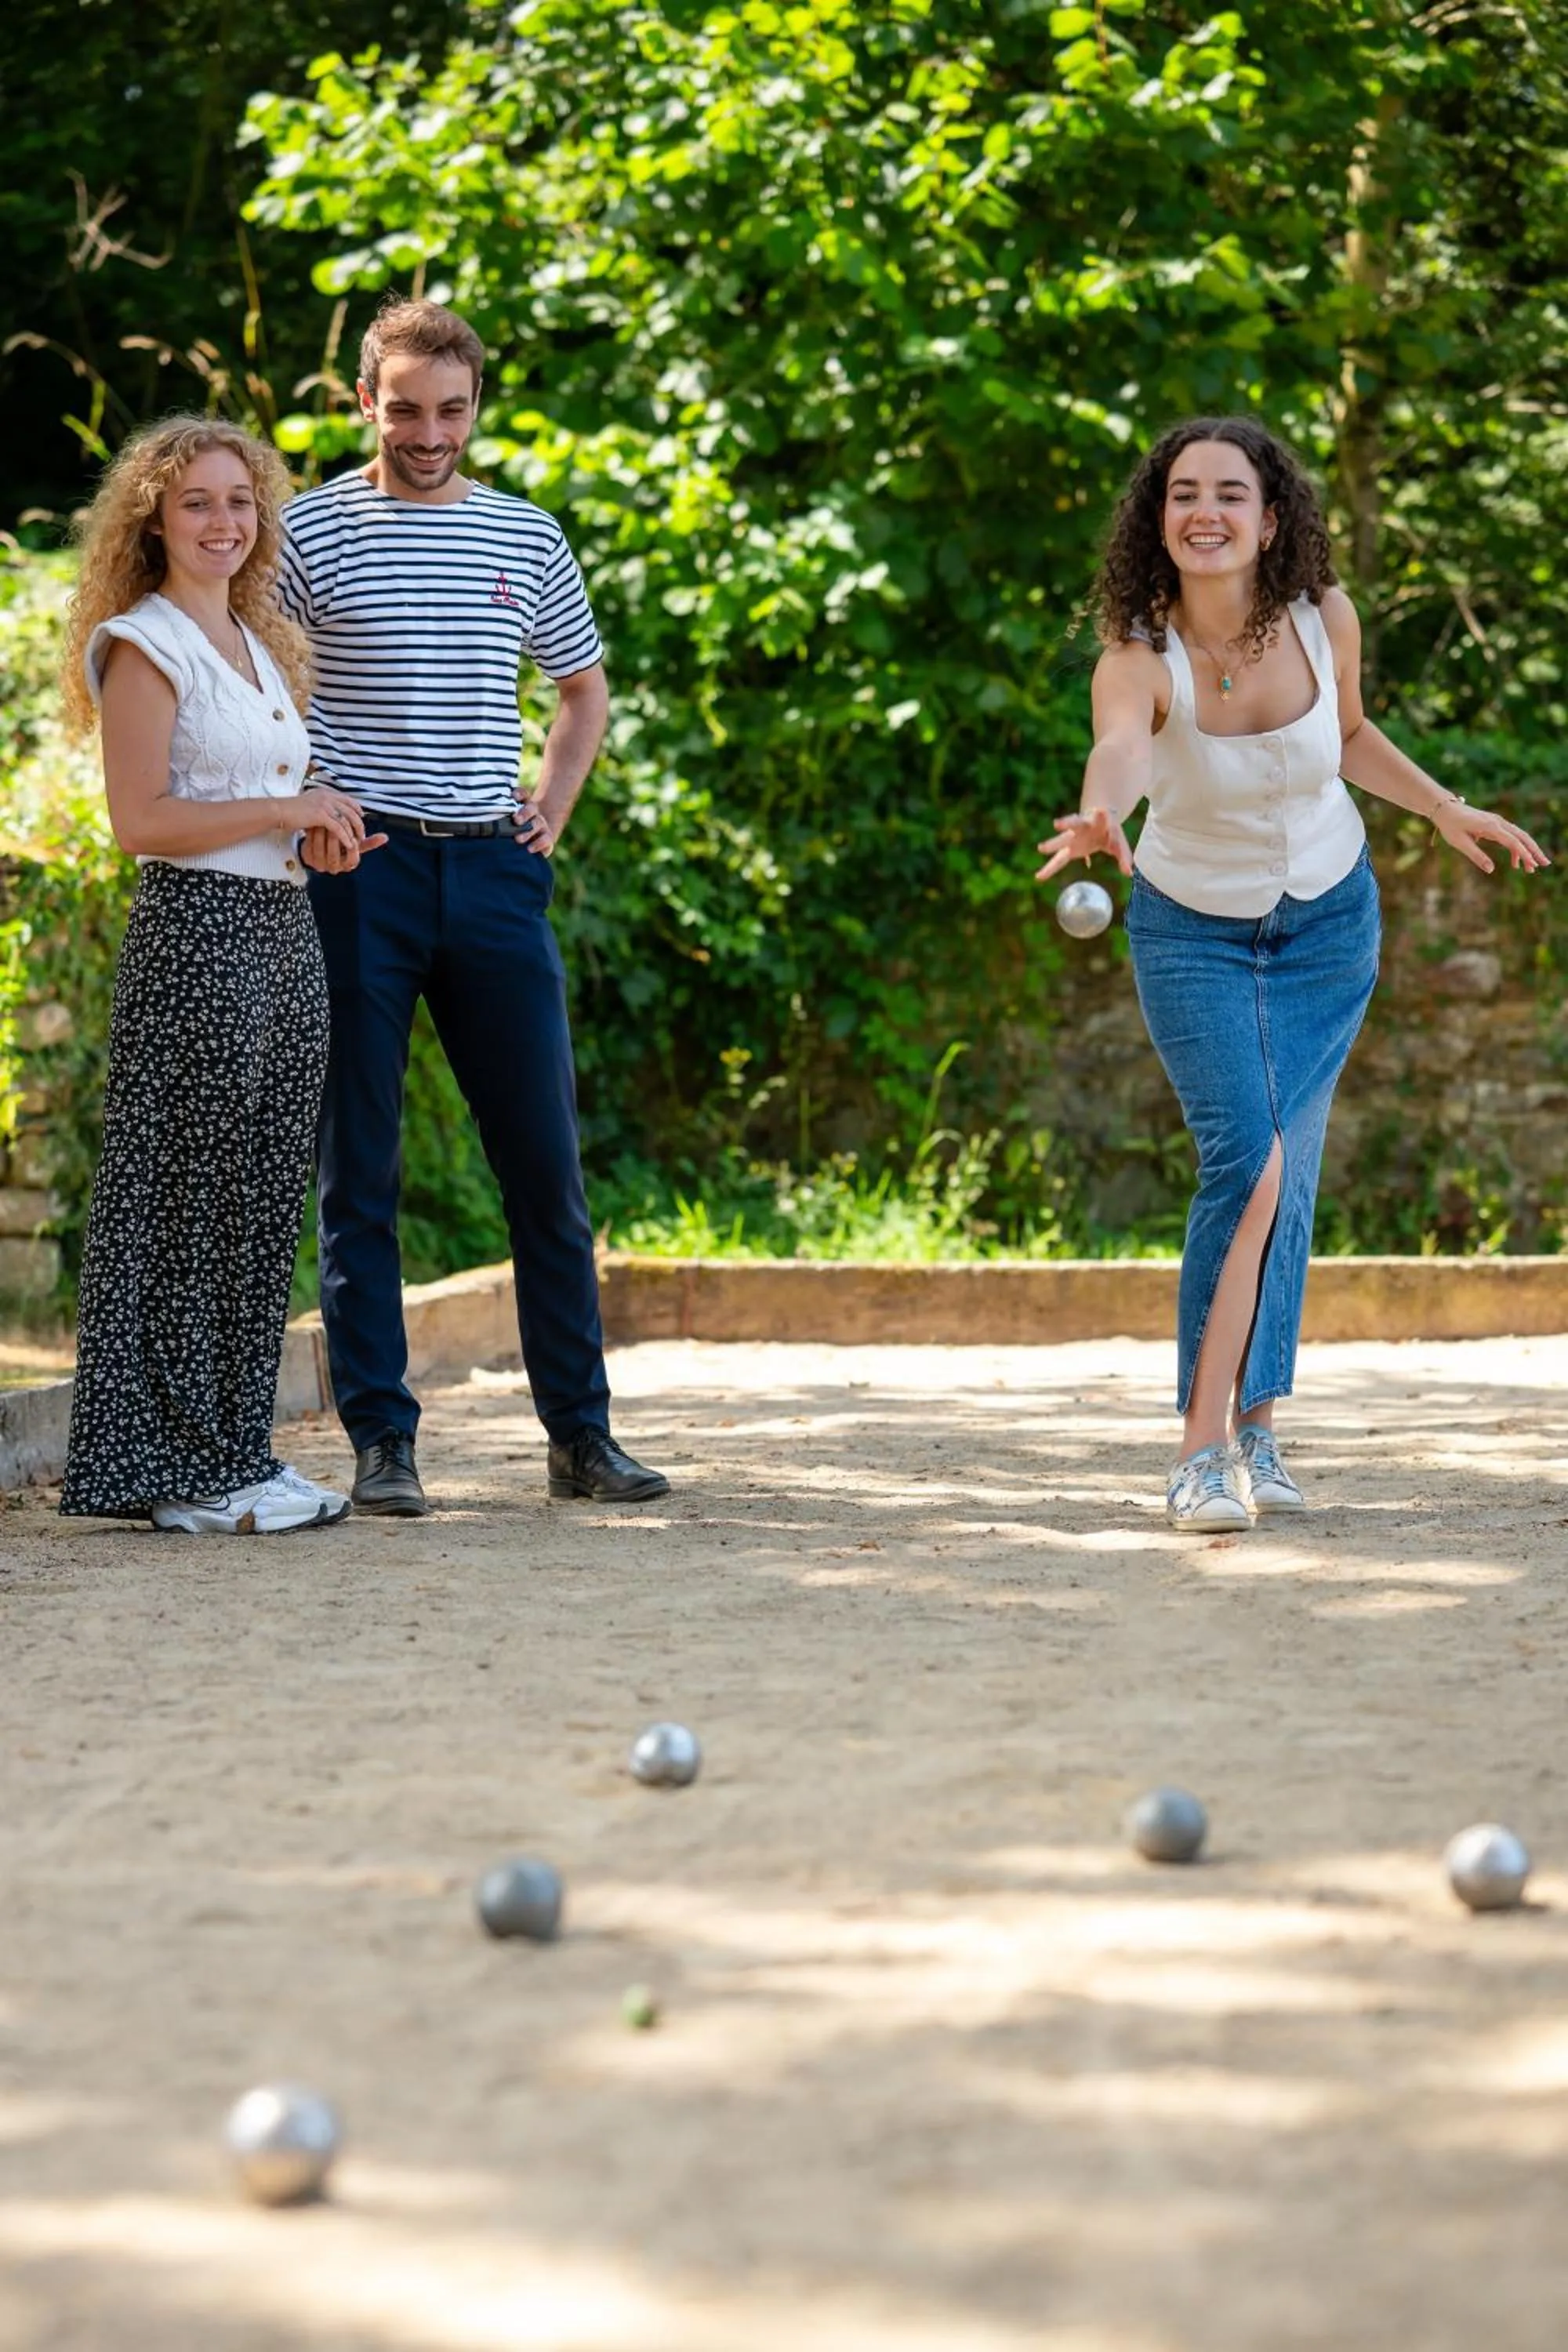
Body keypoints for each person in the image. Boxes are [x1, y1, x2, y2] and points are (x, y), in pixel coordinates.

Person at [1037, 416, 1549, 1530]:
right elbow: (1122, 745)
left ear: (1274, 520)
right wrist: (1099, 812)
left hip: (1330, 926)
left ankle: (1259, 1429)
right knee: (1249, 1163)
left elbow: (1352, 735)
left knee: (1291, 1168)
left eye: (1231, 493)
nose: (1205, 512)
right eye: (1182, 494)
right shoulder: (1140, 650)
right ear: (1156, 519)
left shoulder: (1325, 619)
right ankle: (1198, 1452)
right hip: (1192, 931)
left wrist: (1445, 806)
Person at [278, 296, 669, 1517]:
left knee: (545, 1167)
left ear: (477, 407)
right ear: (364, 404)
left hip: (494, 872)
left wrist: (550, 809)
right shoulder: (308, 537)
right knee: (363, 1175)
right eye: (405, 409)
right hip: (360, 874)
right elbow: (255, 692)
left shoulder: (526, 536)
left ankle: (582, 1439)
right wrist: (304, 792)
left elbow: (583, 691)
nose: (428, 431)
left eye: (450, 410)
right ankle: (384, 1443)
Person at [57, 416, 370, 1532]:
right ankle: (171, 1467)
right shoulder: (146, 644)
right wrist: (287, 808)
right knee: (186, 1203)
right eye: (198, 502)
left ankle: (237, 1449)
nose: (223, 522)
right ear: (153, 518)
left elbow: (256, 811)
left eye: (240, 501)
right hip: (195, 939)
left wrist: (315, 831)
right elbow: (141, 821)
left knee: (256, 1202)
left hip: (282, 932)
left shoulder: (253, 640)